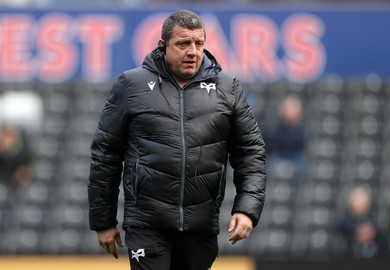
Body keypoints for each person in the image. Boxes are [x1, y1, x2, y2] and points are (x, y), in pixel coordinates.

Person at [88, 10, 266, 270]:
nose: (193, 51)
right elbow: (106, 154)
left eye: (199, 43)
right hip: (147, 224)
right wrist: (104, 221)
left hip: (200, 225)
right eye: (183, 44)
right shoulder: (131, 85)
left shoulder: (228, 88)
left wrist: (247, 209)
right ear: (163, 46)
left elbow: (250, 152)